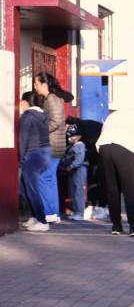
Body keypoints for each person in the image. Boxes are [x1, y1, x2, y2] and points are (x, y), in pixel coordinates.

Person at [96, 108, 134, 237]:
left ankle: (116, 226)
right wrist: (132, 150)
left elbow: (102, 133)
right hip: (125, 148)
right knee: (130, 190)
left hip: (104, 148)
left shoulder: (113, 115)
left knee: (112, 189)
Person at [34, 72, 74, 224]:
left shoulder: (51, 99)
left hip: (51, 145)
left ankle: (49, 213)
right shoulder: (53, 98)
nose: (35, 86)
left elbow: (56, 121)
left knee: (44, 178)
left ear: (45, 85)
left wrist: (39, 130)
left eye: (37, 83)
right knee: (49, 179)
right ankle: (53, 213)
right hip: (56, 145)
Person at [18, 91, 51, 232]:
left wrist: (20, 157)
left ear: (26, 102)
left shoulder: (27, 116)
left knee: (31, 190)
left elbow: (23, 139)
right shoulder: (43, 115)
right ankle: (34, 216)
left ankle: (42, 221)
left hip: (32, 155)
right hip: (45, 153)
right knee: (24, 187)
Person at [58, 126, 89, 221]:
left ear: (78, 136)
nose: (69, 138)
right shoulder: (72, 146)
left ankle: (80, 212)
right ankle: (76, 211)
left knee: (78, 191)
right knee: (73, 192)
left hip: (79, 170)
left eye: (72, 136)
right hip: (72, 170)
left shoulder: (80, 145)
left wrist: (70, 166)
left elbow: (79, 159)